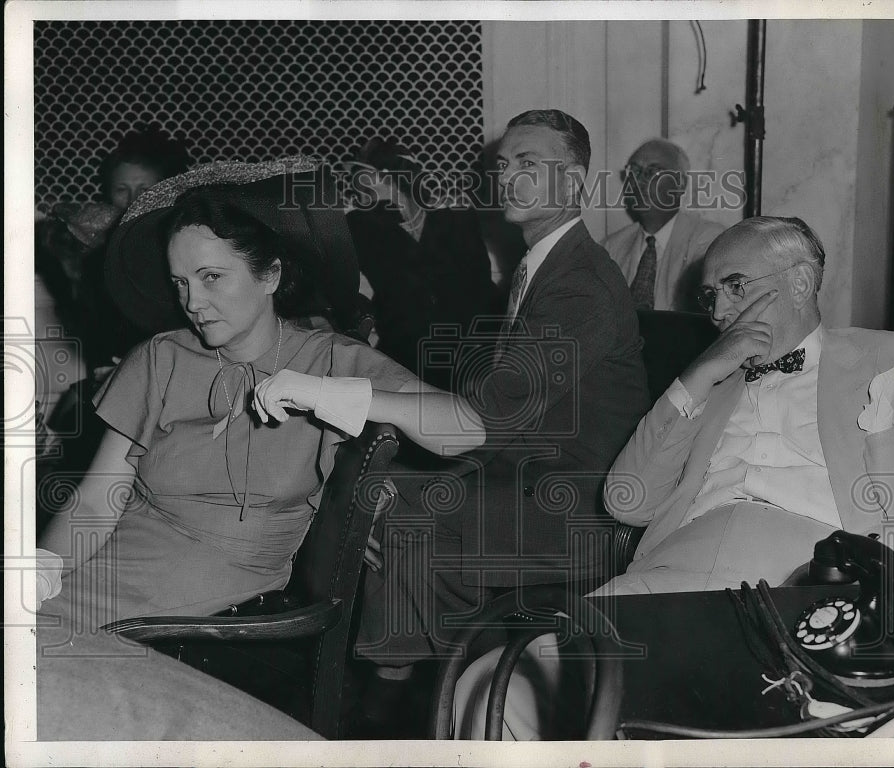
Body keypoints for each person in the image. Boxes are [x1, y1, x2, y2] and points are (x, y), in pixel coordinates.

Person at [453, 215, 894, 739]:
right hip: (667, 579)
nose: (719, 311)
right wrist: (697, 376)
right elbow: (626, 500)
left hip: (810, 589)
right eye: (710, 296)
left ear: (799, 283)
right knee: (488, 685)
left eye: (736, 287)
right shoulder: (707, 385)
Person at [35, 157, 485, 634]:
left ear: (270, 275)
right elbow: (97, 501)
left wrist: (333, 395)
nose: (192, 303)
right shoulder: (158, 358)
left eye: (211, 277)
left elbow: (466, 429)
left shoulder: (328, 360)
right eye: (180, 283)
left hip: (206, 608)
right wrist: (41, 570)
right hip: (106, 573)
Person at [352, 109, 649, 732]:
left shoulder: (581, 285)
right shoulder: (541, 264)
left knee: (404, 521)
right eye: (504, 164)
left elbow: (488, 416)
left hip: (583, 513)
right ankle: (439, 687)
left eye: (528, 165)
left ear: (574, 184)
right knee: (374, 499)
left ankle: (391, 707)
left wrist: (356, 397)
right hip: (528, 482)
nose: (508, 177)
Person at [345, 138, 500, 390]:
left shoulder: (458, 221)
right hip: (403, 359)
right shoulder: (361, 227)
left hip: (467, 357)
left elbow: (481, 289)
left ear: (390, 175)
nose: (356, 187)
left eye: (363, 176)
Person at [603, 138, 724, 311]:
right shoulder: (612, 247)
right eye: (635, 171)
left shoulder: (709, 241)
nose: (639, 181)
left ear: (680, 184)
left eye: (653, 171)